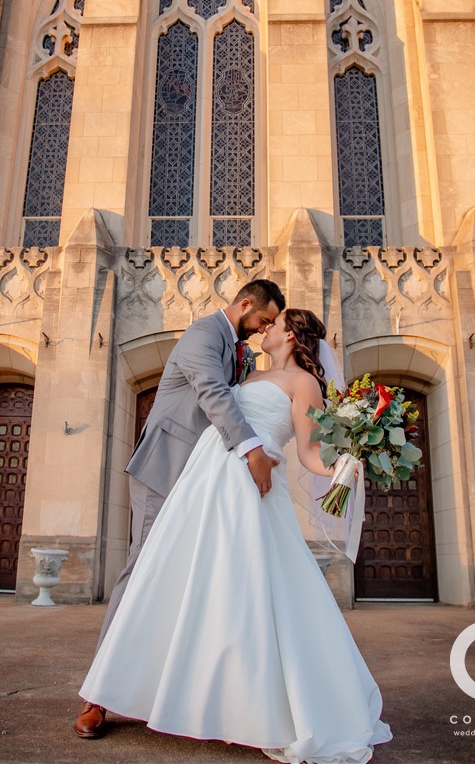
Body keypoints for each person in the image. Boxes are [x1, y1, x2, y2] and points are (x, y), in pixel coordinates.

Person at [79, 309, 393, 763]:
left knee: (240, 587)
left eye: (275, 324)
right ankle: (131, 692)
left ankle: (241, 705)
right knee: (173, 580)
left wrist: (343, 465)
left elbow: (307, 452)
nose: (266, 330)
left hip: (250, 485)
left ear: (290, 333)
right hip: (202, 478)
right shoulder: (248, 369)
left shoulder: (304, 383)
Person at [74, 278, 286, 739]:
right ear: (246, 304)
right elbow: (211, 390)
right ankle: (98, 697)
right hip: (166, 471)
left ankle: (161, 690)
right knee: (142, 571)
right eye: (263, 320)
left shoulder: (239, 349)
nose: (262, 329)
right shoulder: (203, 334)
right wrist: (252, 450)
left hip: (206, 482)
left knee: (186, 584)